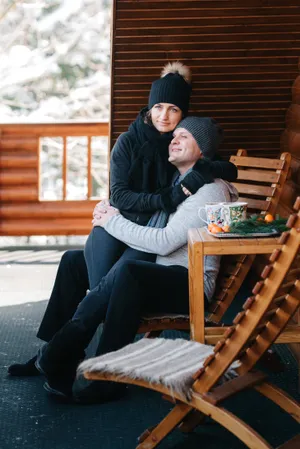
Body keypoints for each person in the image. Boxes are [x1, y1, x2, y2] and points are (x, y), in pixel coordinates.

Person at [8, 63, 237, 378]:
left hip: (150, 241)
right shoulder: (130, 143)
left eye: (174, 112)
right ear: (149, 106)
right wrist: (161, 200)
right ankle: (48, 351)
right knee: (74, 262)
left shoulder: (188, 162)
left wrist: (210, 170)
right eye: (158, 107)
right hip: (125, 226)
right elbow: (119, 195)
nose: (165, 117)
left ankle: (63, 354)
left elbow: (219, 166)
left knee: (110, 284)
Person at [29, 116, 239, 403]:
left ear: (202, 150)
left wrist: (111, 222)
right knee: (74, 261)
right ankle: (57, 349)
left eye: (185, 137)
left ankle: (105, 377)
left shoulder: (208, 191)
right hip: (161, 270)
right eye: (175, 135)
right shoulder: (179, 181)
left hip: (188, 283)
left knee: (130, 272)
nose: (175, 140)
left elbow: (164, 242)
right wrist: (110, 211)